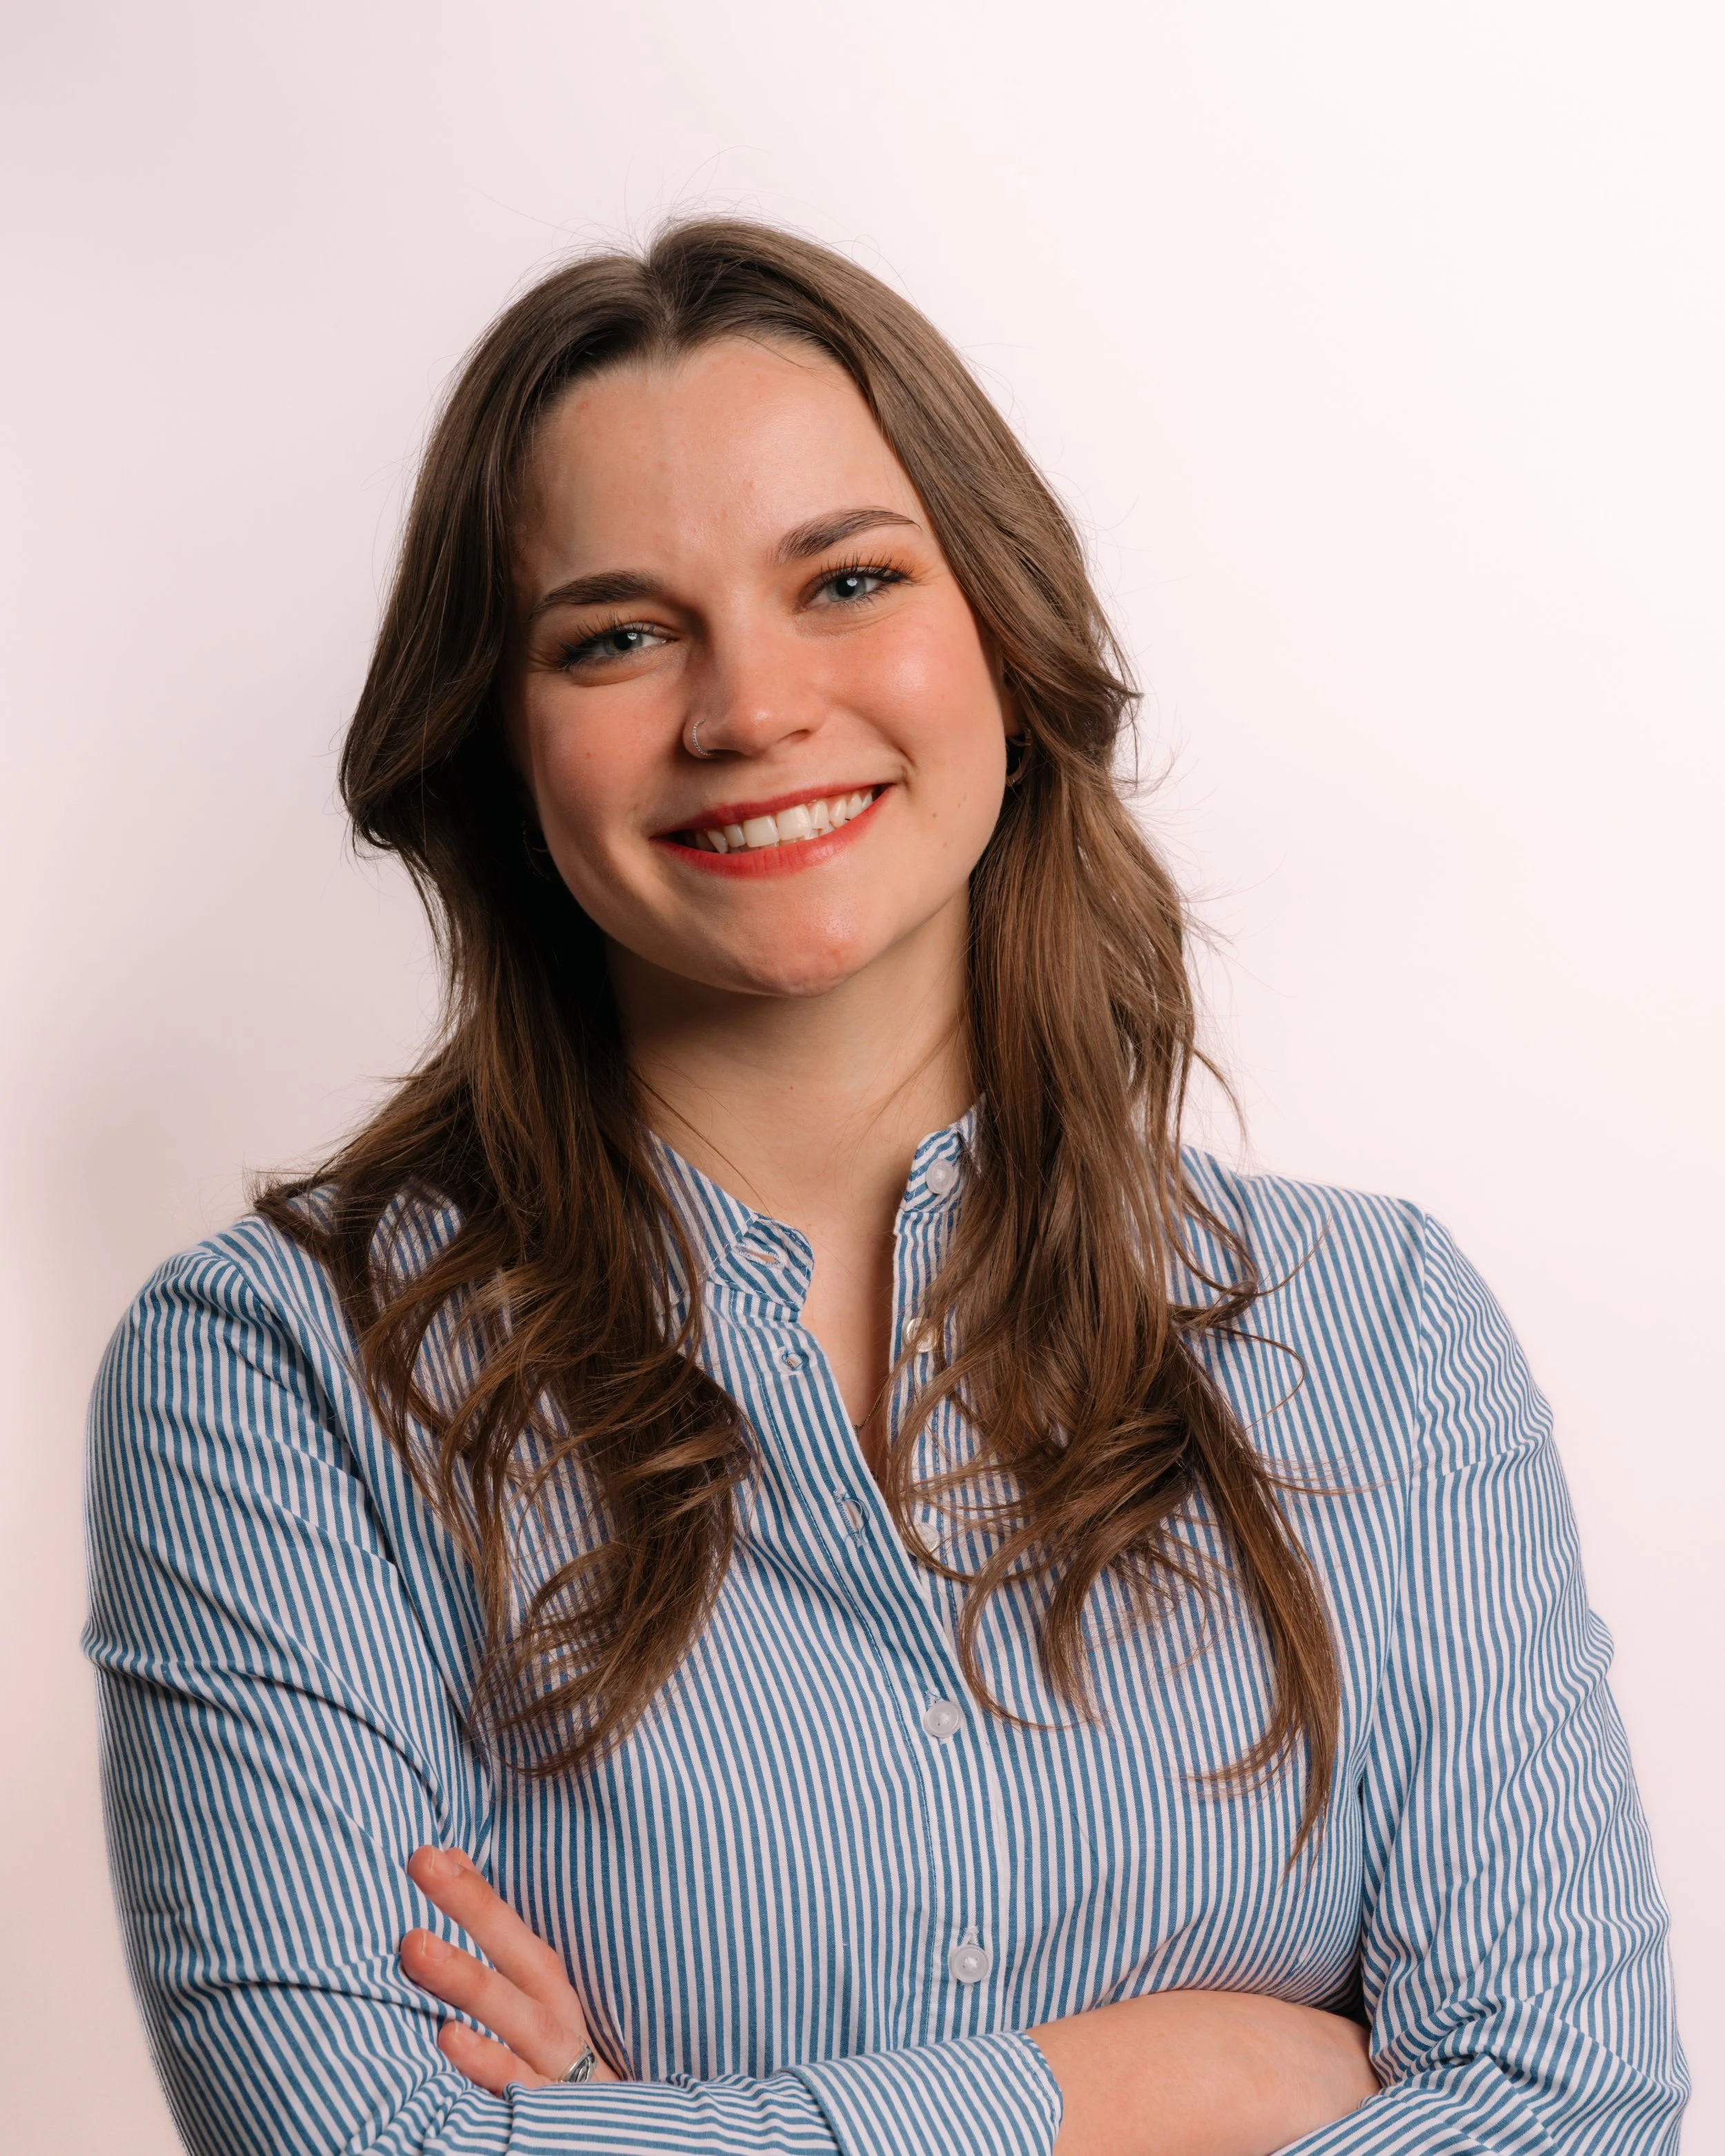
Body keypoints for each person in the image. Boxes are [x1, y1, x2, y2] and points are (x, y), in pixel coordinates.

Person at [84, 221, 1686, 2156]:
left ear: (1003, 635)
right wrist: (1150, 2087)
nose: (750, 709)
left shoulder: (1376, 1333)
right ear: (501, 742)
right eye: (615, 635)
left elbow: (1573, 2110)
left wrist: (645, 2126)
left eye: (845, 581)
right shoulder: (283, 1370)